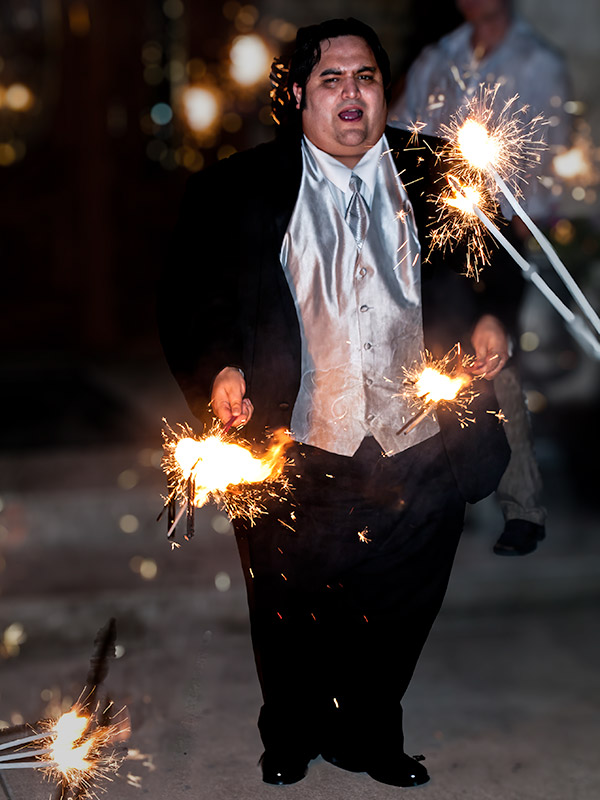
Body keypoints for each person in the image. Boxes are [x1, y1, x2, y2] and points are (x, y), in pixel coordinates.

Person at [158, 18, 510, 788]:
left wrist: (487, 314)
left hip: (420, 442)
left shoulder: (433, 169)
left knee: (401, 604)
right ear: (297, 96)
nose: (353, 94)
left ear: (384, 91)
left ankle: (371, 734)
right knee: (288, 604)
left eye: (367, 79)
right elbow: (197, 295)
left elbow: (487, 261)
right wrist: (220, 367)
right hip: (297, 437)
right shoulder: (239, 187)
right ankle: (291, 732)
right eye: (332, 80)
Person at [389, 0, 572, 556]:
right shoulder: (437, 56)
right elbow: (397, 128)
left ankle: (521, 505)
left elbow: (549, 150)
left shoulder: (536, 61)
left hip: (509, 230)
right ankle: (446, 495)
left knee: (494, 357)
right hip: (439, 228)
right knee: (433, 355)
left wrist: (521, 223)